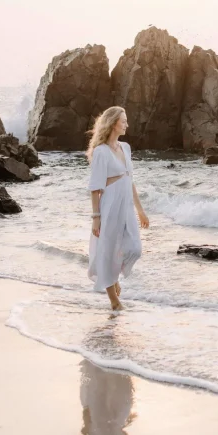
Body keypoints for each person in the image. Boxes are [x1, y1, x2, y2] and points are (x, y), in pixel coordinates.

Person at [86, 106, 149, 310]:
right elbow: (95, 188)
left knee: (134, 248)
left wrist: (140, 210)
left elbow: (130, 181)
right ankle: (114, 301)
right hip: (110, 205)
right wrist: (96, 217)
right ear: (114, 123)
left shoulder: (126, 148)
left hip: (127, 205)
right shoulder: (101, 152)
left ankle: (113, 277)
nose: (127, 124)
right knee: (107, 249)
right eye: (124, 121)